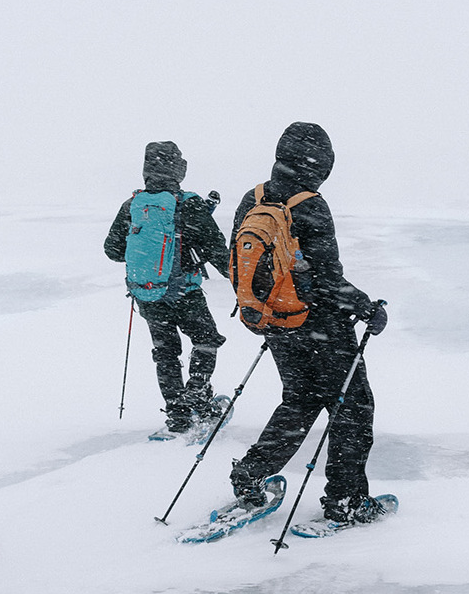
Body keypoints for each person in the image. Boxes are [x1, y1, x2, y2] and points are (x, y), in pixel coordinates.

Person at [223, 122, 389, 526]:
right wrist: (367, 307)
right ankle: (346, 501)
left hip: (277, 322)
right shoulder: (310, 204)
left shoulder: (254, 197)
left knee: (299, 400)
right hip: (322, 329)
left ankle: (250, 474)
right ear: (322, 163)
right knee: (352, 408)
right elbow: (328, 279)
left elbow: (236, 263)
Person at [103, 141, 230, 437]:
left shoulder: (132, 205)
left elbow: (111, 249)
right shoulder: (190, 204)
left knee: (165, 350)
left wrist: (146, 255)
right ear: (178, 169)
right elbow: (218, 252)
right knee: (206, 339)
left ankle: (177, 413)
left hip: (148, 292)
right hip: (184, 292)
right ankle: (197, 394)